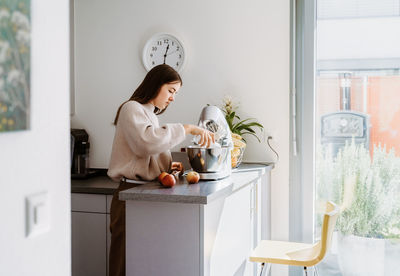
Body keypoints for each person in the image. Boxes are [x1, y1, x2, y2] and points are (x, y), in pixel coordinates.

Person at [107, 64, 214, 276]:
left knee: (141, 262)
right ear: (156, 84)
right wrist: (186, 128)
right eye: (171, 90)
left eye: (176, 93)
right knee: (124, 262)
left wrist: (163, 166)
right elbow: (146, 143)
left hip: (143, 194)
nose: (173, 98)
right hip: (130, 196)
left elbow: (145, 150)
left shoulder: (150, 114)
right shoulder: (131, 108)